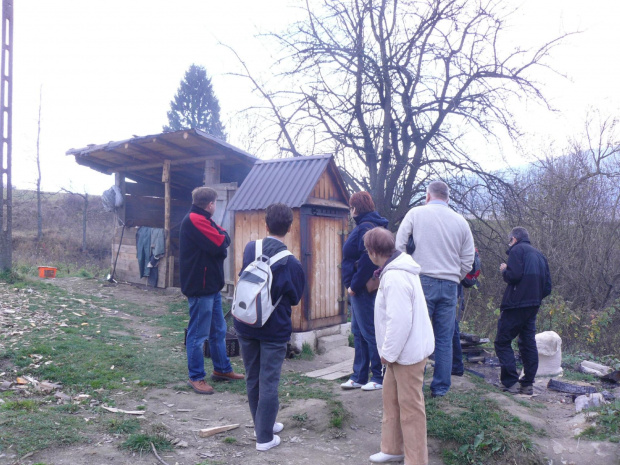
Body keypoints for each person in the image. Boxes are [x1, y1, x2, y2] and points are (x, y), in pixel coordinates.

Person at [234, 203, 305, 451]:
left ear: (265, 224)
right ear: (289, 227)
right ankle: (264, 438)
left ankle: (262, 424)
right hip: (274, 329)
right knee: (269, 381)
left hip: (246, 323)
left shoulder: (251, 248)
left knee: (253, 377)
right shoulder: (292, 263)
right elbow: (295, 297)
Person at [395, 181, 474, 397]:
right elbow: (468, 259)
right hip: (450, 285)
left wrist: (408, 272)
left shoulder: (416, 213)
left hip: (422, 280)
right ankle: (440, 388)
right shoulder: (460, 221)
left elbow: (399, 246)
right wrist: (455, 276)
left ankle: (415, 386)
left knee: (417, 336)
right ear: (447, 198)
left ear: (428, 196)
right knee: (444, 338)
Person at [364, 227, 434, 465]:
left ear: (373, 252)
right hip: (398, 353)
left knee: (411, 410)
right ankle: (392, 448)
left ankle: (416, 461)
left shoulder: (395, 276)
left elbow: (400, 321)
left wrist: (388, 353)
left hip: (406, 354)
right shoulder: (395, 270)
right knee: (391, 400)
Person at [179, 187, 244, 395]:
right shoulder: (196, 220)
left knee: (219, 331)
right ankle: (196, 376)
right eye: (215, 203)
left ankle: (222, 369)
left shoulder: (203, 218)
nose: (216, 206)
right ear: (210, 205)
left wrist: (222, 235)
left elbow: (223, 236)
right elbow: (221, 241)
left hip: (211, 286)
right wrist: (222, 235)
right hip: (201, 287)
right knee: (198, 335)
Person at [341, 192, 389, 391]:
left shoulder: (366, 227)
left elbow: (368, 259)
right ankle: (359, 376)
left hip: (361, 290)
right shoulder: (370, 225)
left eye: (351, 207)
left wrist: (354, 284)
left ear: (355, 208)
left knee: (369, 331)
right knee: (358, 332)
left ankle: (377, 376)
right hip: (359, 289)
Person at [495, 227, 552, 395]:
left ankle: (510, 383)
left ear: (514, 239)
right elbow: (548, 286)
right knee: (527, 343)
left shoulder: (516, 250)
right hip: (533, 305)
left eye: (509, 240)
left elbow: (514, 276)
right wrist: (535, 298)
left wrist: (505, 270)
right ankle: (527, 385)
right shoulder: (540, 255)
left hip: (515, 305)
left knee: (502, 341)